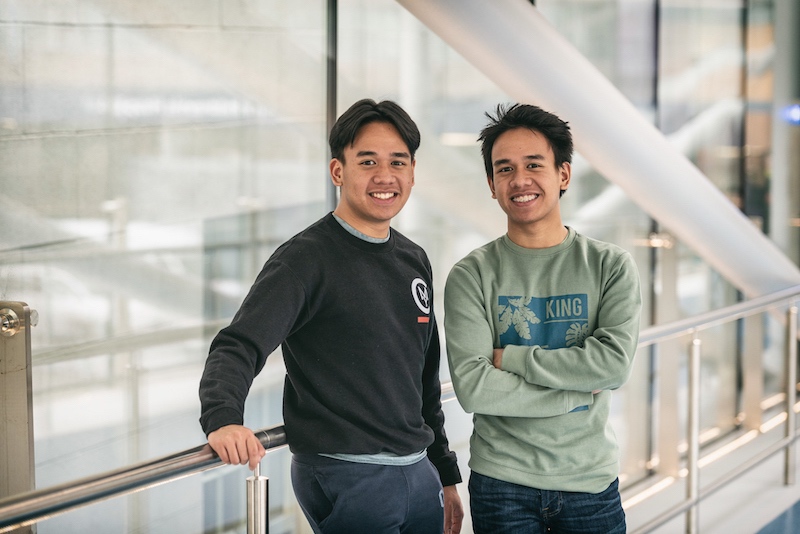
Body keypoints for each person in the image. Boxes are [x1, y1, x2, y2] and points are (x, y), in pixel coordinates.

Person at [199, 99, 463, 534]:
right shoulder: (305, 260)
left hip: (418, 472)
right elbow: (239, 344)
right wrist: (224, 417)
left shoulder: (413, 259)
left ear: (413, 172)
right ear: (338, 171)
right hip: (347, 475)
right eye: (368, 161)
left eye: (398, 162)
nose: (385, 175)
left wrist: (444, 473)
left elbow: (423, 380)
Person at [443, 103, 641, 533]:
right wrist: (575, 394)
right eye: (504, 169)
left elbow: (611, 366)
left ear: (563, 175)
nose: (520, 180)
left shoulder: (610, 266)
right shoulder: (471, 275)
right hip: (502, 484)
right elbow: (475, 390)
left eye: (534, 164)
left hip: (590, 481)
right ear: (492, 185)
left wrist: (510, 359)